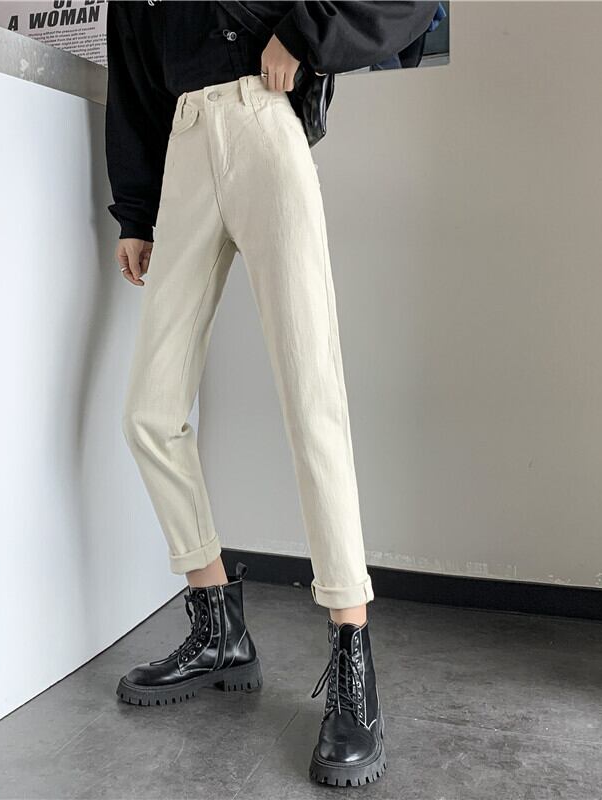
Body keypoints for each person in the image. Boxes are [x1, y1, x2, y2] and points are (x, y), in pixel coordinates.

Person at [104, 0, 438, 787]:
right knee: (150, 412)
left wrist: (303, 33)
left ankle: (352, 653)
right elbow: (133, 79)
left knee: (311, 398)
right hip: (185, 145)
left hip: (263, 124)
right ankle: (218, 627)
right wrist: (135, 209)